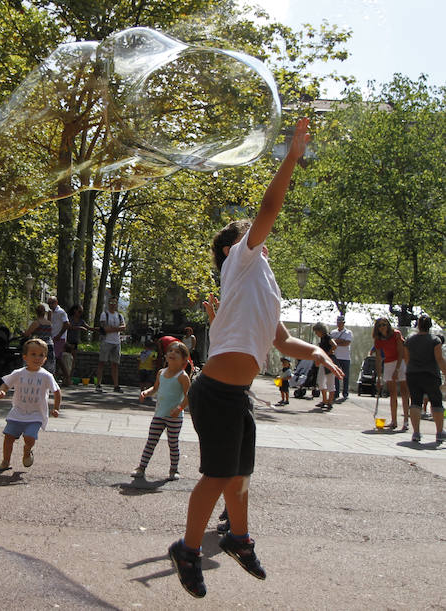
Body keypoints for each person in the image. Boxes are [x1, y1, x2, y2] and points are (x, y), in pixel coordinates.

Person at [168, 119, 343, 599]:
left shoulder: (263, 284)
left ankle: (238, 539)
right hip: (217, 392)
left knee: (240, 475)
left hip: (236, 395)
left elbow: (283, 342)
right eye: (251, 235)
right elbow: (270, 207)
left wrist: (321, 354)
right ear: (231, 249)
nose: (261, 236)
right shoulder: (241, 261)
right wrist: (291, 157)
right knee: (219, 474)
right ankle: (186, 549)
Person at [0, 338, 61, 471]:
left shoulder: (46, 376)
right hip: (18, 412)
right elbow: (6, 384)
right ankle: (5, 462)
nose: (37, 358)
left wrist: (56, 408)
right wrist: (2, 391)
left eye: (41, 355)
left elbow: (57, 392)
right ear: (25, 357)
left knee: (29, 437)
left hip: (36, 414)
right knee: (8, 437)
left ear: (45, 359)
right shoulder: (18, 373)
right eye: (33, 354)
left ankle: (27, 450)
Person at [132, 340, 190, 481]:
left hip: (174, 417)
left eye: (177, 352)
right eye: (170, 351)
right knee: (151, 441)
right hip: (159, 414)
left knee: (173, 443)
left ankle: (174, 469)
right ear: (165, 356)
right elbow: (156, 388)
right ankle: (141, 467)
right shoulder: (161, 373)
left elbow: (189, 396)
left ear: (184, 360)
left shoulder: (183, 377)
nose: (172, 353)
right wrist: (146, 392)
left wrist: (180, 408)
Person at [403, 315, 446, 443]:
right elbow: (439, 359)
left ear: (418, 325)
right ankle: (439, 432)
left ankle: (416, 433)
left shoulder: (409, 340)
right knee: (436, 402)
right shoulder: (435, 340)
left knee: (415, 402)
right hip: (430, 375)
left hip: (413, 374)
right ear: (430, 326)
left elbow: (406, 358)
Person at [373, 317, 410, 431]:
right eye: (380, 325)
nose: (382, 327)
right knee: (392, 393)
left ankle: (406, 421)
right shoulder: (378, 339)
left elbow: (400, 352)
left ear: (388, 325)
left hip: (400, 362)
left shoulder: (396, 334)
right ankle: (394, 421)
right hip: (388, 363)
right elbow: (378, 359)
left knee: (404, 392)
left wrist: (397, 369)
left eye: (384, 324)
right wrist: (378, 378)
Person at [95, 297, 125, 393]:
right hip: (106, 341)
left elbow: (123, 327)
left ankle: (116, 385)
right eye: (111, 302)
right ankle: (98, 384)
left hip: (116, 342)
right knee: (102, 362)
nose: (112, 304)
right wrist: (117, 328)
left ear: (116, 304)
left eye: (114, 302)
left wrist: (112, 328)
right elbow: (105, 328)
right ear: (108, 304)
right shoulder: (105, 314)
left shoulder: (119, 316)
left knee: (115, 364)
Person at [22, 303, 56, 373]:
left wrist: (23, 333)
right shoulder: (49, 323)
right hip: (49, 344)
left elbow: (27, 334)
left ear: (36, 312)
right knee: (49, 365)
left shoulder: (36, 323)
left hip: (39, 345)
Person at [312, 322, 337, 410]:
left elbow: (334, 345)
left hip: (329, 361)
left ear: (320, 330)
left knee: (330, 381)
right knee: (321, 381)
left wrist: (327, 354)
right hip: (323, 361)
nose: (316, 334)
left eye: (316, 331)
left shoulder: (327, 337)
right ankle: (324, 400)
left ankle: (330, 402)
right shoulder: (322, 339)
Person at [47, 296, 71, 385]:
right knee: (56, 358)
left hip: (59, 338)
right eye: (49, 303)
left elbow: (67, 324)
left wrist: (59, 335)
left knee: (56, 357)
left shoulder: (61, 312)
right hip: (52, 337)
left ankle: (67, 377)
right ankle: (58, 377)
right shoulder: (51, 313)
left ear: (56, 302)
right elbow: (49, 324)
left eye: (52, 303)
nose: (50, 305)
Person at [329, 314, 353, 401]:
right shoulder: (333, 332)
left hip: (345, 357)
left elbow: (347, 343)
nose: (339, 324)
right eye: (338, 322)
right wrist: (340, 341)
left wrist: (337, 342)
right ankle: (336, 392)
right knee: (336, 375)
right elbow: (331, 342)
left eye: (341, 322)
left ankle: (345, 392)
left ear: (344, 323)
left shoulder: (348, 332)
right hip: (336, 356)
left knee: (345, 375)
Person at [65, 304, 90, 381]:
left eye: (81, 312)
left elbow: (88, 327)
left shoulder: (81, 321)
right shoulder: (69, 319)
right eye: (79, 311)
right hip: (67, 341)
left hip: (75, 342)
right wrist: (78, 328)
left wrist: (98, 329)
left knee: (73, 361)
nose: (80, 313)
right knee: (65, 359)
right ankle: (64, 375)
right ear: (75, 311)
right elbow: (68, 327)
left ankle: (69, 377)